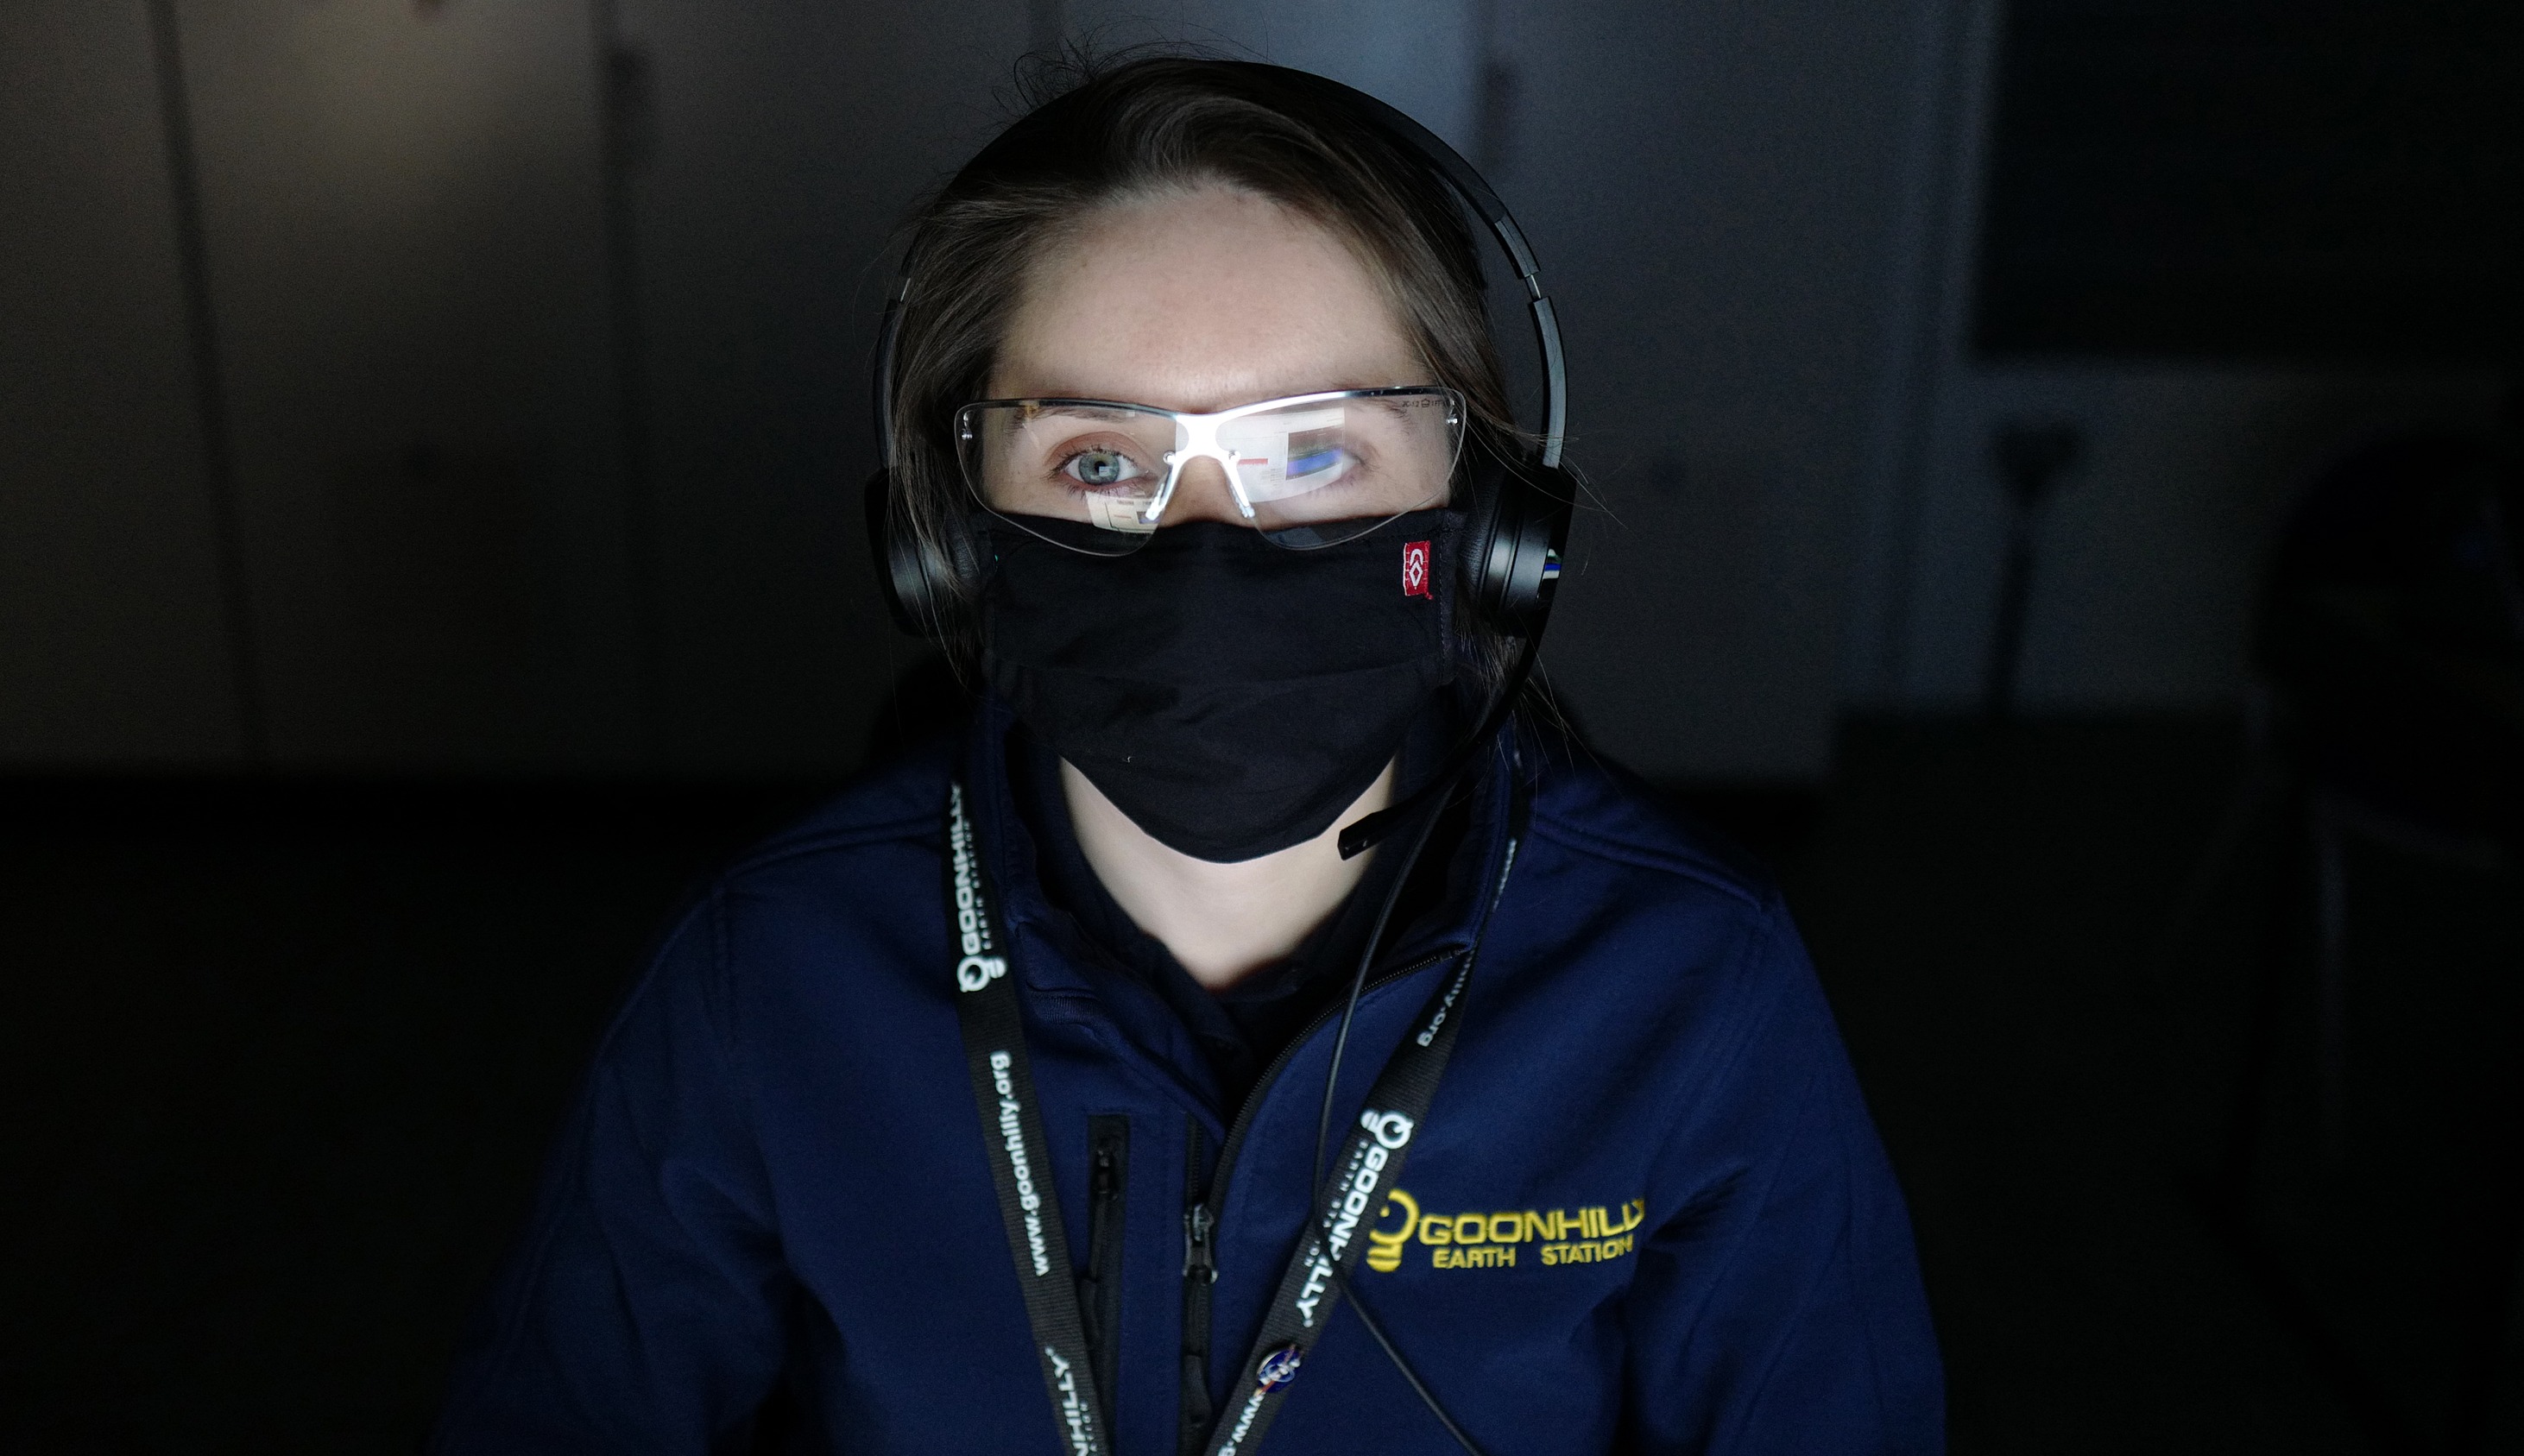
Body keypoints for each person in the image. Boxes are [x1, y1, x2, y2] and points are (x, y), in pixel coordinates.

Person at [432, 55, 1942, 1455]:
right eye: (1102, 460)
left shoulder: (1692, 983)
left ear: (1483, 525)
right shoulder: (768, 972)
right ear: (954, 541)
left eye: (1316, 452)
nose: (1209, 552)